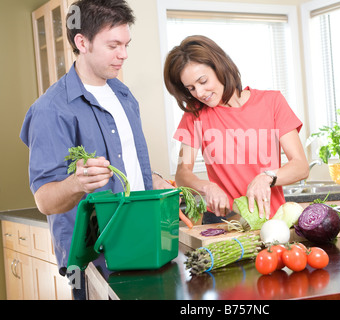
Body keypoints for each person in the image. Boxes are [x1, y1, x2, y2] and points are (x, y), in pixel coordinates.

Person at [20, 0, 171, 299]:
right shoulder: (50, 110)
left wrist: (154, 180)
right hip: (93, 262)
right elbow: (45, 201)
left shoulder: (123, 94)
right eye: (113, 45)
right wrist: (77, 183)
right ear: (82, 42)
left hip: (139, 244)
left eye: (126, 44)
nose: (123, 55)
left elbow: (125, 162)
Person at [164, 35, 309, 223]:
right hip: (223, 222)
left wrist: (267, 177)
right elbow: (182, 173)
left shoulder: (272, 102)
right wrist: (207, 187)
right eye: (191, 88)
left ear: (220, 67)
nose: (199, 93)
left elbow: (300, 166)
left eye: (203, 81)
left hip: (272, 221)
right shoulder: (194, 114)